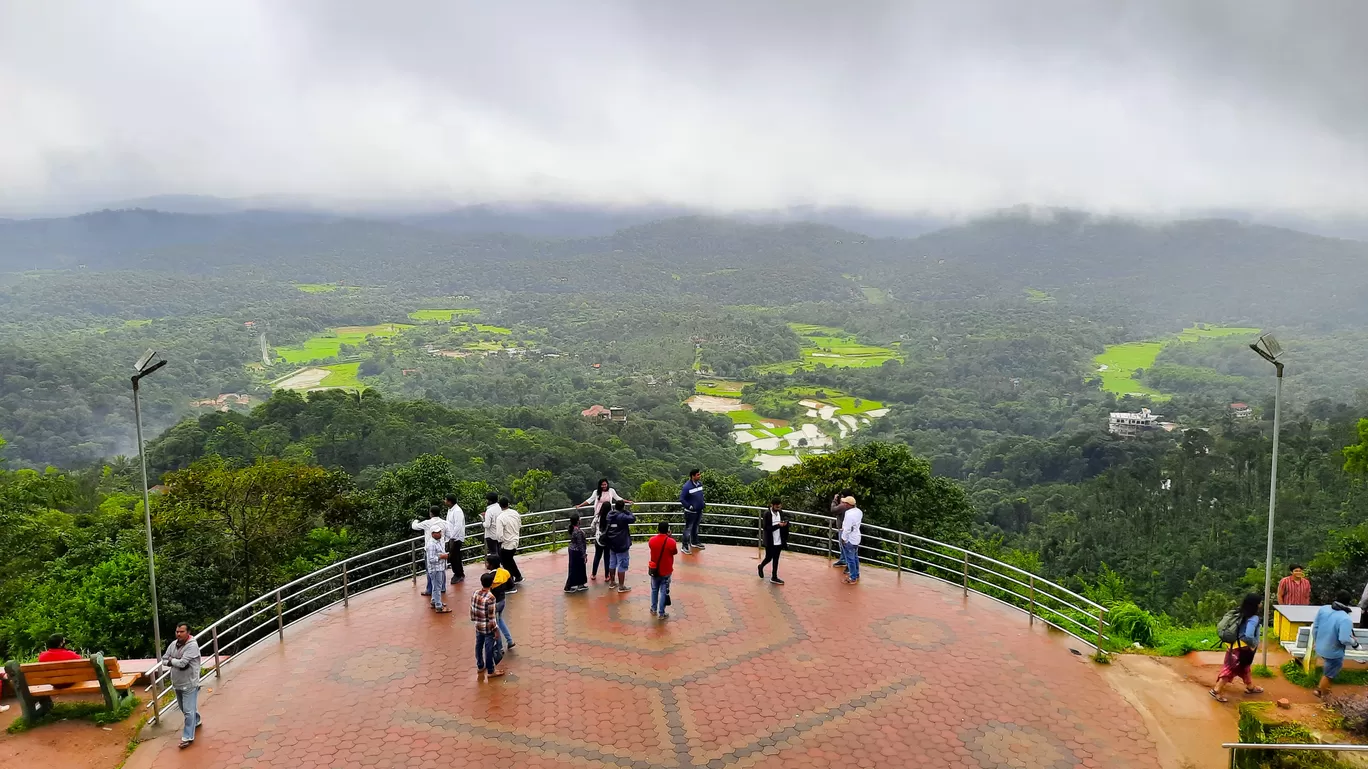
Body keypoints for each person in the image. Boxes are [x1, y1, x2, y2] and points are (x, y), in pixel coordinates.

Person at [1210, 594, 1264, 702]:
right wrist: (1253, 644)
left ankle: (1250, 687)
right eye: (1260, 602)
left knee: (1245, 667)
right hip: (1241, 648)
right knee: (1230, 669)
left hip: (1233, 645)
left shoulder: (1240, 612)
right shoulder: (1253, 618)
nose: (1261, 604)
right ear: (1256, 605)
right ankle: (1216, 690)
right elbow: (1248, 635)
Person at [162, 622, 202, 749]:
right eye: (177, 631)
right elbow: (164, 659)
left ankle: (187, 737)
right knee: (185, 709)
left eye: (181, 632)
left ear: (188, 632)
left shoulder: (192, 646)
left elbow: (183, 663)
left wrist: (172, 661)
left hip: (190, 683)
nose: (178, 634)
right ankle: (197, 720)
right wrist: (174, 661)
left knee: (188, 712)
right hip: (177, 683)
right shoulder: (173, 644)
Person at [1312, 591, 1360, 698]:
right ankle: (1323, 695)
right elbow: (1344, 639)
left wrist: (1316, 642)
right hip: (1333, 651)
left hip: (1320, 647)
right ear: (1348, 602)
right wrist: (1355, 643)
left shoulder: (1323, 609)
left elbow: (1315, 627)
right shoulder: (1345, 618)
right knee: (1329, 674)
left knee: (1328, 670)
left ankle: (1322, 690)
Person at [470, 572, 504, 679]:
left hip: (478, 625)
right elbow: (491, 617)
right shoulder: (491, 598)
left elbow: (472, 609)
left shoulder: (475, 593)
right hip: (488, 628)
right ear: (492, 583)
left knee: (478, 645)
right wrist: (496, 631)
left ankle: (480, 665)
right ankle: (491, 670)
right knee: (488, 648)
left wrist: (475, 621)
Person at [411, 505, 447, 596]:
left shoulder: (427, 523)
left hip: (430, 549)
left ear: (431, 513)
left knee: (430, 570)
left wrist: (415, 520)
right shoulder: (444, 523)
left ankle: (430, 589)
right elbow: (449, 534)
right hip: (441, 548)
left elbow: (414, 526)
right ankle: (442, 587)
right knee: (441, 568)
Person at [484, 555, 516, 651]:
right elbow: (511, 586)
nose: (486, 564)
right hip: (502, 601)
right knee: (500, 620)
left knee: (495, 625)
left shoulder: (489, 577)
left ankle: (499, 647)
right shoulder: (505, 572)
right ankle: (509, 641)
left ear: (491, 564)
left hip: (494, 604)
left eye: (487, 562)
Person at [648, 521, 679, 619]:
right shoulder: (671, 542)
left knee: (654, 589)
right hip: (666, 571)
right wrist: (669, 537)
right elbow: (674, 552)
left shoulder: (651, 540)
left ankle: (653, 609)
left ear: (658, 529)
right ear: (668, 530)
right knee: (663, 592)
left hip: (654, 570)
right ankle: (661, 613)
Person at [607, 500, 636, 592]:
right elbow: (632, 518)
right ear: (623, 507)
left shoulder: (610, 515)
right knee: (622, 564)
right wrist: (626, 511)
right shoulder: (622, 516)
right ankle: (621, 586)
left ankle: (612, 583)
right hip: (621, 542)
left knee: (612, 563)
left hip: (611, 542)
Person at [759, 499, 789, 585]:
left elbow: (785, 522)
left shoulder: (781, 513)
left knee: (776, 559)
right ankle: (761, 566)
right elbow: (766, 528)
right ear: (772, 505)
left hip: (779, 540)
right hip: (770, 540)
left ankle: (774, 577)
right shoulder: (767, 514)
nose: (778, 508)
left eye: (779, 506)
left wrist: (785, 524)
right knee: (769, 557)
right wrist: (778, 526)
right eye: (776, 506)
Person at [495, 497, 523, 585]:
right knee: (510, 560)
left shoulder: (500, 518)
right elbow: (519, 525)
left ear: (500, 506)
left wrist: (501, 541)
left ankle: (510, 583)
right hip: (515, 540)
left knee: (506, 564)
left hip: (506, 544)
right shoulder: (515, 513)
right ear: (508, 504)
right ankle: (518, 576)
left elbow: (499, 535)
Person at [424, 528, 452, 613]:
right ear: (432, 534)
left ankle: (434, 601)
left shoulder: (437, 541)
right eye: (437, 532)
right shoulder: (432, 544)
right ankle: (439, 606)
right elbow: (431, 559)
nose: (440, 534)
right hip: (435, 569)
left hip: (439, 568)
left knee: (435, 586)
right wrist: (442, 557)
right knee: (437, 587)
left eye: (440, 532)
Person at [679, 469, 706, 554]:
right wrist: (689, 506)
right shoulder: (687, 486)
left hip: (699, 510)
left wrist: (702, 503)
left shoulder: (699, 484)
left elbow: (700, 495)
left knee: (695, 527)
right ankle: (684, 546)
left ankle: (694, 542)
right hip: (690, 513)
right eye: (698, 475)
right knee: (688, 529)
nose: (699, 476)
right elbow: (682, 499)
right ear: (693, 476)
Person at [443, 494, 466, 585]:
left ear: (450, 501)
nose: (445, 502)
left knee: (453, 557)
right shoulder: (451, 510)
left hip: (456, 538)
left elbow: (458, 526)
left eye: (446, 500)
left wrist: (452, 537)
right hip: (451, 537)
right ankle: (459, 573)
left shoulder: (457, 511)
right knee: (455, 557)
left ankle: (458, 574)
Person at [839, 496, 863, 584]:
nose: (844, 504)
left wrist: (843, 539)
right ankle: (856, 574)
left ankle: (852, 578)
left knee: (850, 559)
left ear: (849, 505)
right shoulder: (859, 512)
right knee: (855, 557)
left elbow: (847, 529)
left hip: (850, 539)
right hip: (856, 538)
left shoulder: (849, 514)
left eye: (845, 503)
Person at [565, 513, 589, 593]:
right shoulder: (577, 531)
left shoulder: (573, 529)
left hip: (572, 550)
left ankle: (580, 584)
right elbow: (580, 544)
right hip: (577, 551)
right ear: (578, 521)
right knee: (577, 568)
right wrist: (584, 554)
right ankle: (569, 586)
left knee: (576, 567)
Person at [830, 492, 854, 570]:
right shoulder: (852, 507)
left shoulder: (843, 506)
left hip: (843, 530)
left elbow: (833, 510)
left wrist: (834, 500)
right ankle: (843, 560)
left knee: (844, 547)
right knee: (845, 547)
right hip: (849, 530)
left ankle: (848, 564)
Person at [592, 501, 613, 585]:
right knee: (607, 557)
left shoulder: (598, 516)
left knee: (597, 556)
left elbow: (592, 526)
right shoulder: (611, 518)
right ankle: (607, 576)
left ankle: (593, 574)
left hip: (598, 539)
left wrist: (596, 531)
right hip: (607, 539)